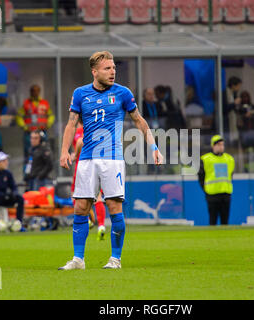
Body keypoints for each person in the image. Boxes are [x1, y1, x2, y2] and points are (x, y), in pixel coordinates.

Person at [58, 50, 163, 270]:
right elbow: (70, 124)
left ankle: (115, 259)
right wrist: (64, 151)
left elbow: (139, 121)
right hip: (86, 159)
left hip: (112, 160)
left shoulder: (123, 93)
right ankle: (78, 259)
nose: (113, 71)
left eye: (114, 67)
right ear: (95, 72)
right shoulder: (80, 93)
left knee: (114, 206)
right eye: (107, 68)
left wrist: (154, 147)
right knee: (80, 207)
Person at [198, 135, 235, 225]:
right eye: (218, 144)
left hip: (226, 193)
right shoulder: (205, 159)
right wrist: (206, 189)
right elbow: (201, 177)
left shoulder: (229, 159)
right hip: (212, 194)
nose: (221, 147)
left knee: (225, 222)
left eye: (222, 144)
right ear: (213, 146)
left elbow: (231, 175)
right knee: (212, 220)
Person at [16, 84, 55, 159]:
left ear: (39, 92)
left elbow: (51, 115)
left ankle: (43, 169)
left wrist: (48, 124)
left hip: (42, 131)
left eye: (37, 91)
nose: (35, 92)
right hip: (29, 133)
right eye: (33, 91)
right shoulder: (26, 103)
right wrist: (24, 127)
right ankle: (28, 170)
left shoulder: (44, 103)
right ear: (30, 92)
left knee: (44, 153)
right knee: (29, 154)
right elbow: (19, 116)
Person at [223, 76, 242, 148]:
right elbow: (224, 109)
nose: (239, 88)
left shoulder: (234, 94)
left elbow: (236, 109)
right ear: (233, 85)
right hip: (226, 123)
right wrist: (234, 103)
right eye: (238, 86)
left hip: (233, 123)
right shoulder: (225, 94)